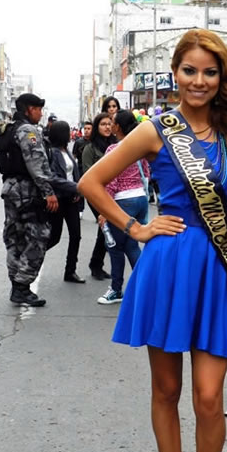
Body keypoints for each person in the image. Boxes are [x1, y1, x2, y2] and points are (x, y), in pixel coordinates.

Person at [78, 28, 227, 452]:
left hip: (214, 269)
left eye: (209, 71)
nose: (199, 81)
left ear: (222, 77)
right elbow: (91, 182)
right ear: (175, 74)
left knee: (208, 398)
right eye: (189, 70)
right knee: (166, 390)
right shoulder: (154, 130)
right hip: (168, 264)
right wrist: (136, 228)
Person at [1, 93, 58, 306]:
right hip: (27, 192)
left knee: (14, 238)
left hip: (10, 189)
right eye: (38, 109)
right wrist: (48, 191)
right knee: (39, 236)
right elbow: (36, 164)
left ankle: (17, 285)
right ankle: (22, 286)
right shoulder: (28, 131)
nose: (40, 113)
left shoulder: (9, 128)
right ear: (29, 109)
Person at [97, 109, 150, 305]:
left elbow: (111, 181)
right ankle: (145, 287)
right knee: (131, 245)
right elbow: (147, 172)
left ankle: (116, 289)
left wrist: (104, 210)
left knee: (115, 247)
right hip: (140, 199)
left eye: (112, 122)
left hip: (123, 201)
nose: (110, 125)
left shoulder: (114, 149)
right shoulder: (140, 146)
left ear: (118, 127)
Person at [46, 120, 85, 284]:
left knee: (76, 235)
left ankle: (70, 271)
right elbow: (52, 178)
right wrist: (75, 187)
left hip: (71, 199)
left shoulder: (67, 151)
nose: (70, 134)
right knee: (54, 237)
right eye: (67, 131)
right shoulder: (52, 153)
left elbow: (74, 173)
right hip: (58, 199)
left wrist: (77, 191)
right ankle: (31, 259)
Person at [82, 113, 113, 280]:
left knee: (107, 228)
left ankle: (97, 264)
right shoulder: (90, 148)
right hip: (96, 193)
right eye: (103, 124)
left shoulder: (116, 145)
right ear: (96, 127)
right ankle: (95, 265)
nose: (107, 127)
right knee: (105, 227)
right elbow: (88, 175)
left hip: (114, 193)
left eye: (109, 124)